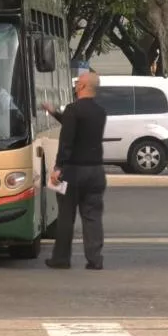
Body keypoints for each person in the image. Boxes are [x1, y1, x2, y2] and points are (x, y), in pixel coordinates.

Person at [42, 71, 107, 270]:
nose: (76, 84)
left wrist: (58, 167)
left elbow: (67, 140)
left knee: (65, 216)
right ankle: (95, 260)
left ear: (82, 87)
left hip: (72, 172)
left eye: (78, 82)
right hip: (96, 172)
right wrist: (55, 113)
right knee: (92, 216)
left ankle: (61, 259)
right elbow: (81, 127)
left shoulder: (73, 109)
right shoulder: (100, 111)